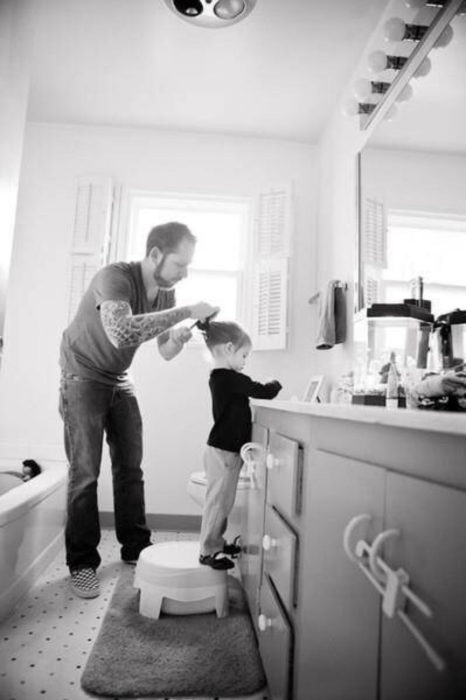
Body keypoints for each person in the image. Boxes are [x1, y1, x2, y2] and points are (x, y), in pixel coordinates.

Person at [59, 221, 218, 598]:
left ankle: (135, 548)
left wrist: (177, 339)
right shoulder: (114, 278)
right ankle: (82, 563)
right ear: (155, 255)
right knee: (85, 473)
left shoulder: (162, 294)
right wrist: (185, 311)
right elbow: (122, 333)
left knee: (131, 466)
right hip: (81, 375)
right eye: (180, 264)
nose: (184, 273)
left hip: (117, 377)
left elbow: (163, 351)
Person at [197, 320, 282, 570]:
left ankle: (216, 543)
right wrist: (275, 382)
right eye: (244, 355)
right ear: (229, 348)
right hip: (223, 451)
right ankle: (207, 551)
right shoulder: (228, 378)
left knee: (222, 502)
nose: (245, 361)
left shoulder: (223, 378)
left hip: (224, 450)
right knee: (218, 502)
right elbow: (263, 391)